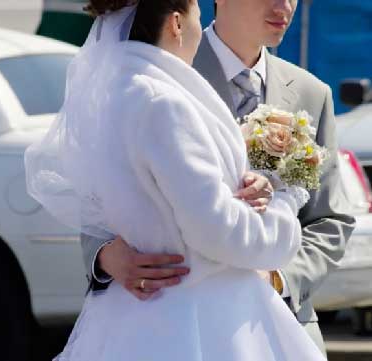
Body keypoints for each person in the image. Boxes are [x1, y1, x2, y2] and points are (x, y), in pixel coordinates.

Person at [26, 0, 328, 359]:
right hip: (200, 316)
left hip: (145, 314)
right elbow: (217, 231)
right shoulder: (166, 101)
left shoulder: (119, 91)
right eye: (197, 14)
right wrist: (283, 198)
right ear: (176, 23)